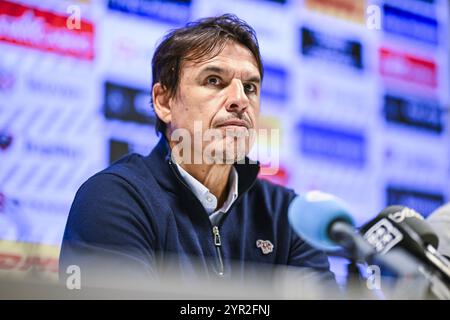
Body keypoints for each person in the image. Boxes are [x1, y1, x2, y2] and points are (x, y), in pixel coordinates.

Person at [59, 14, 336, 295]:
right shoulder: (113, 198)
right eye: (214, 80)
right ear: (164, 102)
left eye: (250, 87)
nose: (240, 100)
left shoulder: (288, 215)